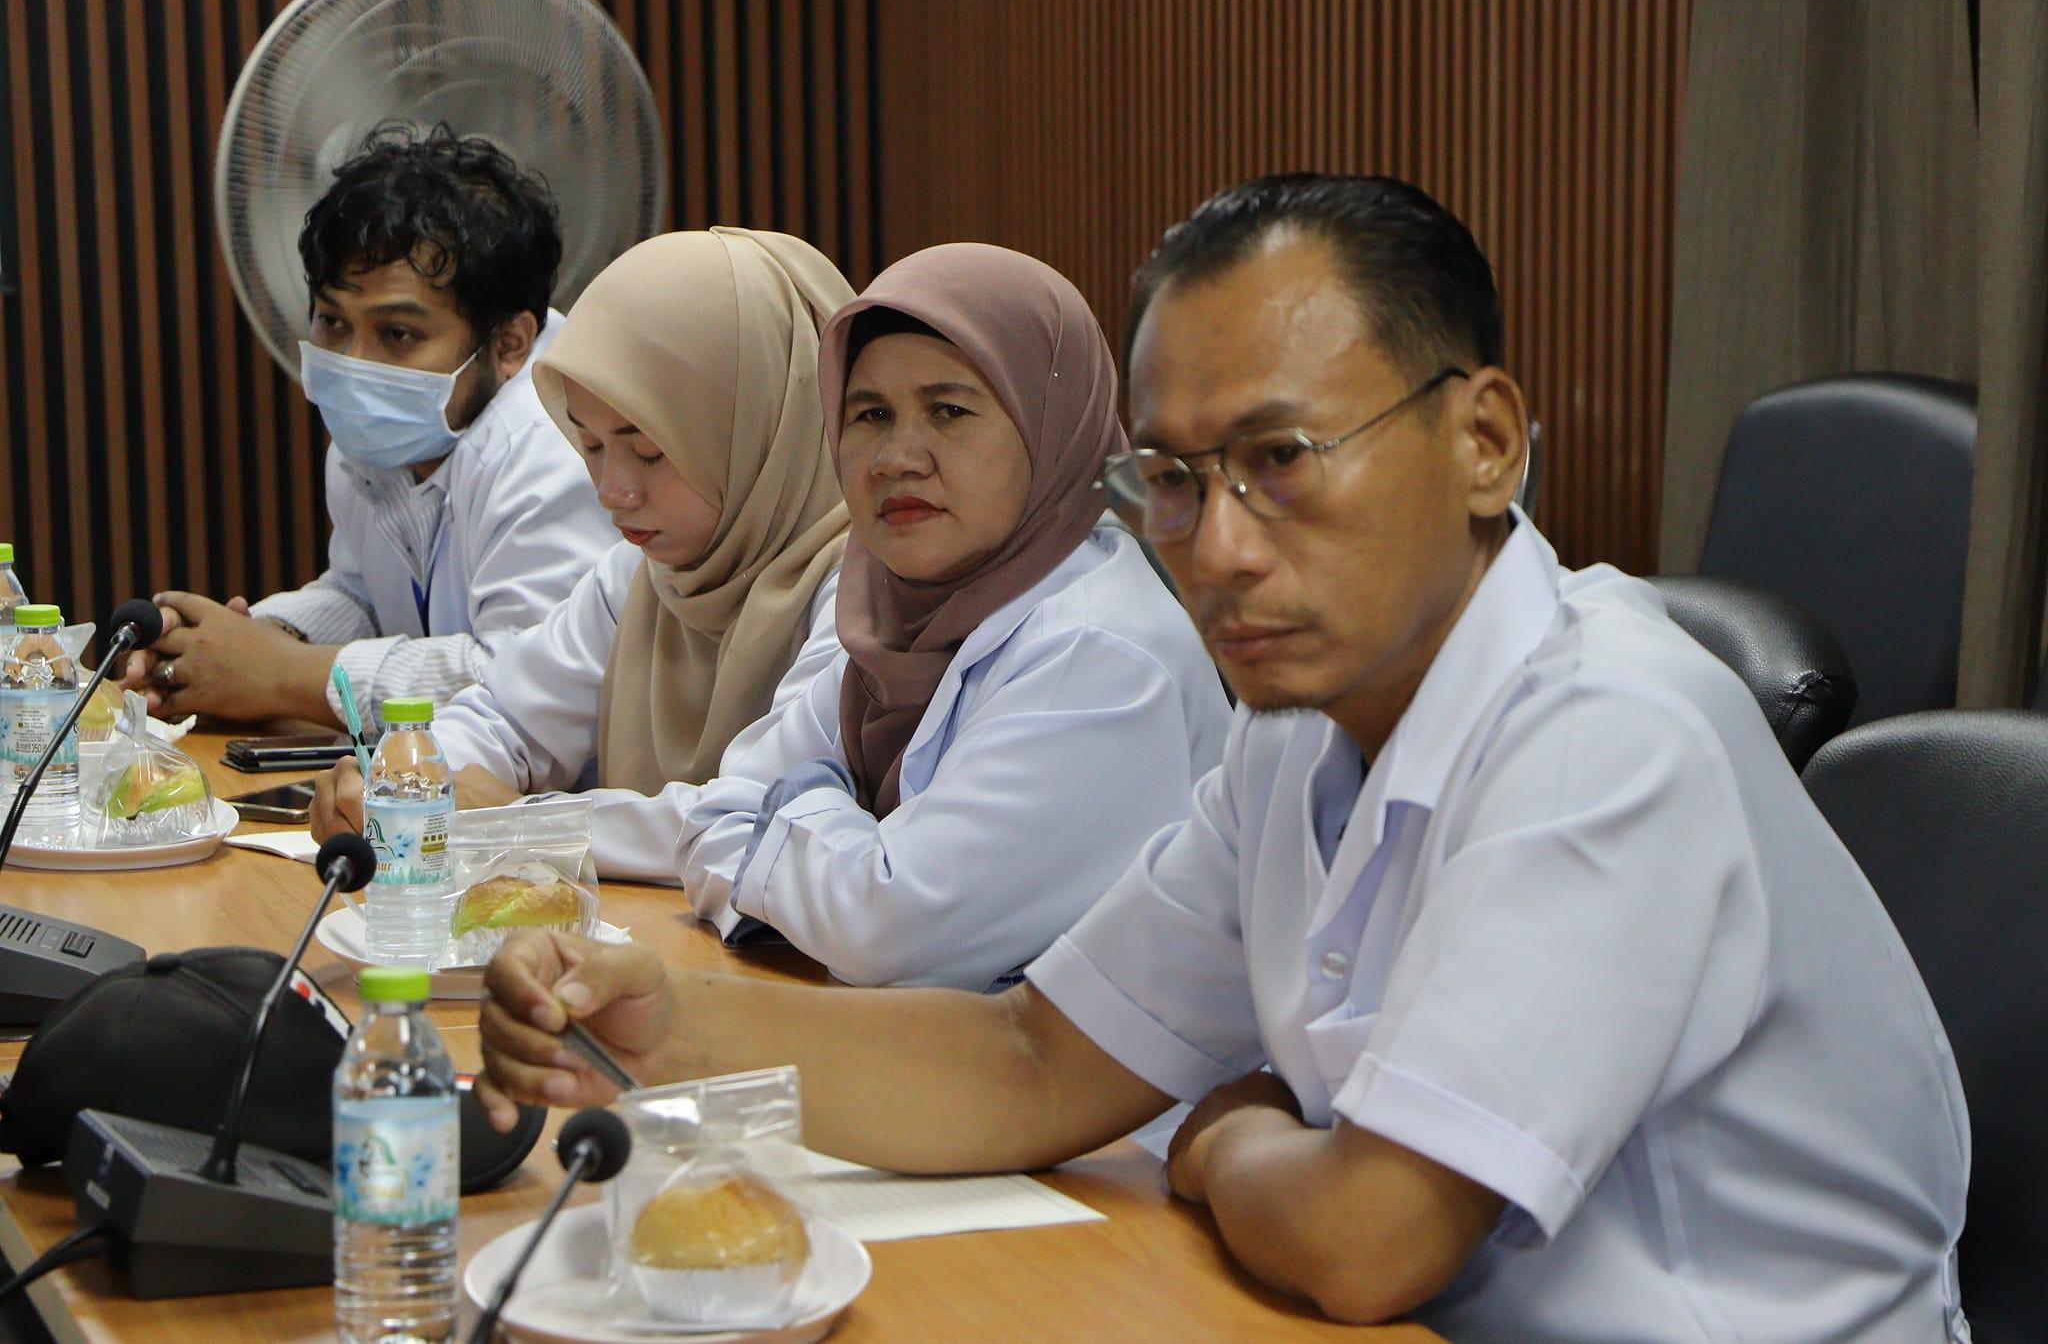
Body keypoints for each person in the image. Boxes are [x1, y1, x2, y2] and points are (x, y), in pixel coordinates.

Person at [474, 176, 1970, 1339]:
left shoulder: (1607, 735)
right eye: (1176, 480)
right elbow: (1030, 1061)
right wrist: (666, 1020)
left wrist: (1226, 1143)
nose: (1221, 549)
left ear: (1486, 440)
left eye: (1280, 460)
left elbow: (1368, 1239)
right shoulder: (1298, 729)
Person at [673, 243, 1231, 989]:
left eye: (949, 411)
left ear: (1051, 426)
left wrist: (800, 801)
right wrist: (828, 852)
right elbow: (712, 818)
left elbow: (888, 930)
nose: (897, 457)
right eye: (871, 414)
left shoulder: (1101, 653)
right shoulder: (895, 619)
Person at [309, 228, 854, 884]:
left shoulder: (863, 594)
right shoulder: (642, 578)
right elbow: (507, 720)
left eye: (649, 450)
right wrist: (409, 773)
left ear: (758, 425)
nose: (612, 490)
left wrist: (524, 823)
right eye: (591, 446)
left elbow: (755, 820)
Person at [125, 126, 613, 731]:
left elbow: (525, 682)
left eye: (398, 334)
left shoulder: (562, 446)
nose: (354, 365)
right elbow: (363, 596)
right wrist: (240, 641)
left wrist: (281, 673)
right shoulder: (387, 430)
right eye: (332, 322)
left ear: (509, 343)